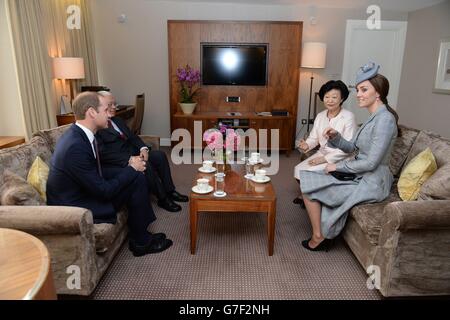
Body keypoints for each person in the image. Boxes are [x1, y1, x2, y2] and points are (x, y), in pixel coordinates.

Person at [46, 92, 173, 257]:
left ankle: (140, 236)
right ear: (92, 112)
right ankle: (141, 243)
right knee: (134, 174)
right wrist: (130, 168)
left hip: (84, 189)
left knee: (136, 175)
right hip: (76, 206)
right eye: (105, 109)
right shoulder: (75, 147)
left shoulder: (80, 134)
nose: (110, 113)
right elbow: (103, 191)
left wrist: (132, 169)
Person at [298, 62, 399, 252]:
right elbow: (353, 147)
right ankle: (321, 234)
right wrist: (336, 137)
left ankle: (319, 236)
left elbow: (371, 162)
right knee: (308, 182)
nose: (358, 94)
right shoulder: (373, 117)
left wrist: (337, 167)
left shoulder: (385, 120)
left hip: (372, 182)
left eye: (363, 89)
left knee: (309, 188)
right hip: (360, 175)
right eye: (358, 89)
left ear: (377, 93)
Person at [95, 91, 188, 213]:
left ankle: (170, 190)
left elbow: (133, 137)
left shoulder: (117, 120)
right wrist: (129, 159)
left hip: (134, 153)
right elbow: (103, 154)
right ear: (100, 107)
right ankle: (163, 199)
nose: (114, 107)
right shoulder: (97, 127)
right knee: (146, 165)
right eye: (110, 105)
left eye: (114, 104)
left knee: (160, 155)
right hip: (121, 161)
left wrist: (143, 148)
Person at [293, 80, 356, 206]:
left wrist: (324, 160)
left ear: (342, 98)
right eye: (327, 97)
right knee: (298, 169)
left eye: (334, 97)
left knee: (312, 171)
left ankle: (311, 198)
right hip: (322, 152)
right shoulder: (321, 115)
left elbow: (348, 148)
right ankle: (307, 194)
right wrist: (306, 144)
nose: (330, 100)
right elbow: (314, 138)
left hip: (341, 157)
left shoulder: (349, 117)